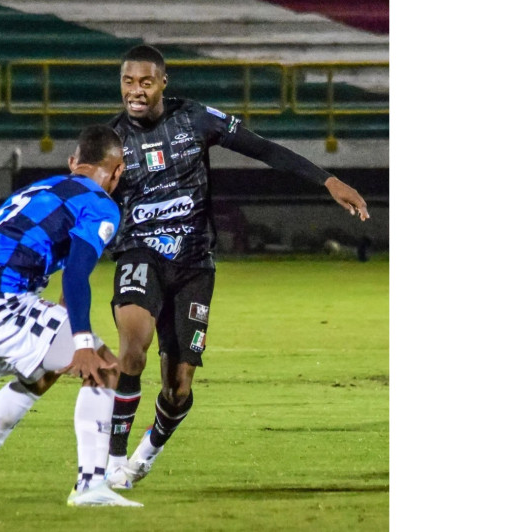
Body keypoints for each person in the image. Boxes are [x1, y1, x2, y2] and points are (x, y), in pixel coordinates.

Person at [103, 45, 371, 489]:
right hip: (138, 254)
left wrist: (329, 180)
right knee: (134, 345)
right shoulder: (109, 138)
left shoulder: (194, 119)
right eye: (128, 81)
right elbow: (84, 197)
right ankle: (110, 466)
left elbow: (263, 148)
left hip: (194, 264)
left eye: (145, 82)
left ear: (162, 84)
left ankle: (144, 456)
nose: (136, 91)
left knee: (178, 388)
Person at [0, 124, 142, 507]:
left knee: (40, 375)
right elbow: (76, 273)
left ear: (73, 162)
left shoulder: (37, 191)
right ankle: (90, 485)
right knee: (106, 368)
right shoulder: (99, 203)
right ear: (118, 170)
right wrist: (82, 345)